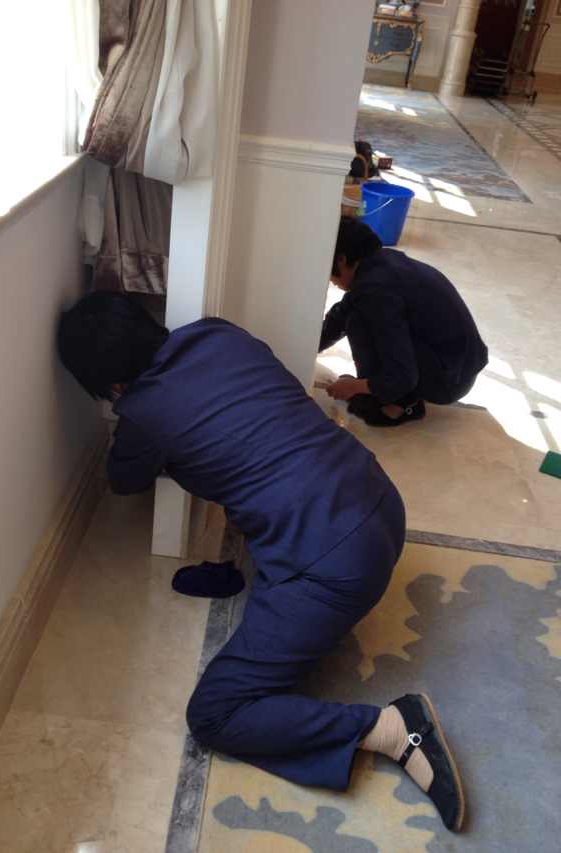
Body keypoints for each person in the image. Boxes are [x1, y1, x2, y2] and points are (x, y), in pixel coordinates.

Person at [58, 291, 465, 832]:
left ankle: (393, 730)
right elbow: (249, 437)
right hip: (377, 496)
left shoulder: (143, 413)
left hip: (335, 564)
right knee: (262, 467)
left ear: (111, 385)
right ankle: (241, 573)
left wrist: (134, 421)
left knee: (216, 713)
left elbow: (123, 480)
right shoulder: (218, 333)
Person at [320, 217, 488, 426]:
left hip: (449, 382)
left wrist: (355, 387)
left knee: (359, 322)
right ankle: (386, 390)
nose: (331, 281)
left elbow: (402, 376)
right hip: (460, 368)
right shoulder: (381, 265)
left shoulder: (375, 290)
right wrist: (306, 349)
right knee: (357, 312)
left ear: (341, 260)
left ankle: (396, 405)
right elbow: (339, 317)